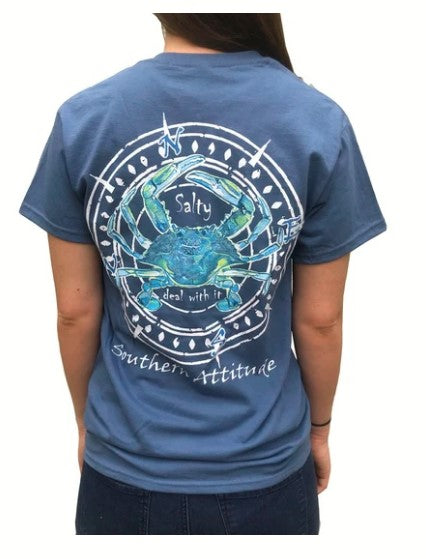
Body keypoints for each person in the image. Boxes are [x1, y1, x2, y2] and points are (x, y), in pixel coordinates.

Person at [18, 13, 387, 535]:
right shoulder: (318, 120)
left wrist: (87, 424)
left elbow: (74, 312)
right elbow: (320, 320)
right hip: (266, 466)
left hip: (125, 462)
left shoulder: (85, 117)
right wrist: (320, 430)